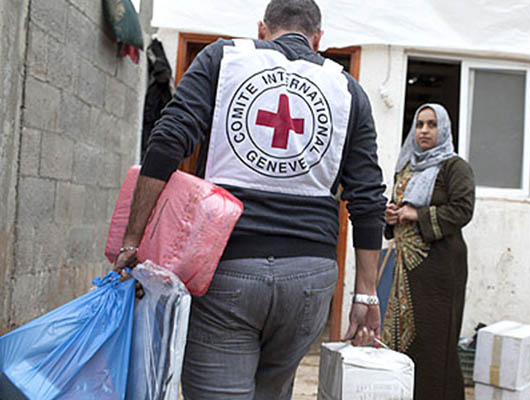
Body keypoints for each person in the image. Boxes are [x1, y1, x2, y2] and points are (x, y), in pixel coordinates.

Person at [113, 0, 387, 398]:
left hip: (225, 268)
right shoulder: (348, 89)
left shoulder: (223, 58)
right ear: (318, 39)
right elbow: (368, 197)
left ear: (262, 30)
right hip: (309, 279)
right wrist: (366, 293)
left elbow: (167, 141)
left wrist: (132, 240)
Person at [382, 103, 475, 400]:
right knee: (402, 338)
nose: (424, 130)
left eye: (432, 125)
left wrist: (417, 215)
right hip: (405, 270)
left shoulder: (453, 167)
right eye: (419, 124)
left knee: (436, 344)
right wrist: (391, 215)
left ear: (443, 129)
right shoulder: (406, 167)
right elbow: (399, 207)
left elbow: (463, 209)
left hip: (439, 270)